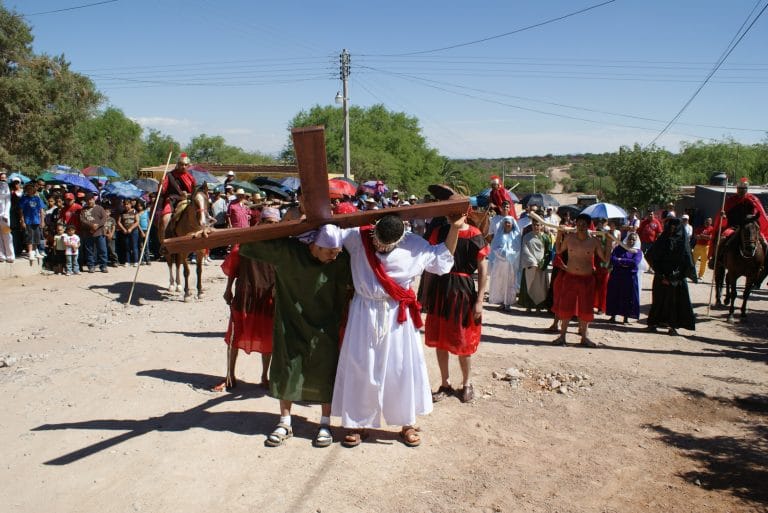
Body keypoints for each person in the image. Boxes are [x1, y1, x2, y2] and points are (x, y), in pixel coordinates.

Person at [332, 213, 462, 448]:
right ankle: (357, 422)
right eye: (377, 241)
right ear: (374, 231)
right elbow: (326, 235)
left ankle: (407, 423)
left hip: (397, 314)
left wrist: (455, 228)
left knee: (401, 367)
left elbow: (442, 261)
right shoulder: (357, 238)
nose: (380, 247)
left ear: (400, 239)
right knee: (361, 365)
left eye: (386, 244)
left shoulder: (415, 245)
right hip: (363, 310)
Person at [239, 225, 352, 448]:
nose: (333, 256)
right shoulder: (288, 252)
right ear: (315, 245)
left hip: (325, 326)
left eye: (337, 252)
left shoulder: (340, 260)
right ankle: (284, 421)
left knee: (326, 369)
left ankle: (325, 423)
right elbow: (249, 242)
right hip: (289, 323)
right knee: (287, 368)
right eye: (329, 252)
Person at [423, 209, 489, 405]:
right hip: (440, 288)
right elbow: (429, 262)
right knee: (440, 339)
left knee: (463, 340)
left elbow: (483, 266)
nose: (451, 215)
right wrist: (425, 293)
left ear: (464, 212)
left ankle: (467, 383)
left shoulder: (474, 234)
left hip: (463, 290)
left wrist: (480, 300)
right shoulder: (440, 231)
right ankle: (445, 383)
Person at [551, 213, 609, 347]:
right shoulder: (570, 238)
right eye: (579, 224)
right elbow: (559, 250)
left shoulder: (594, 241)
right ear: (575, 225)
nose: (581, 227)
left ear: (589, 226)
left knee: (586, 309)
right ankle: (562, 337)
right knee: (565, 307)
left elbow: (605, 259)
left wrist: (610, 242)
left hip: (587, 279)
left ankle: (584, 337)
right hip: (570, 277)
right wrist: (560, 233)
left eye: (584, 225)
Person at [645, 218, 696, 336]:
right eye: (670, 226)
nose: (672, 229)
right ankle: (653, 323)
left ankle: (673, 326)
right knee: (658, 300)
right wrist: (661, 274)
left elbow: (687, 262)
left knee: (674, 303)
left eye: (675, 227)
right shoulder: (663, 240)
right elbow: (651, 256)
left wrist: (675, 277)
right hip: (660, 276)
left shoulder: (683, 243)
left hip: (677, 278)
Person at [158, 153, 197, 249]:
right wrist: (161, 184)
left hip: (187, 201)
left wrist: (187, 195)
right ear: (178, 164)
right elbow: (163, 190)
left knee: (201, 216)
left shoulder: (191, 178)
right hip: (172, 200)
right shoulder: (170, 175)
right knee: (164, 219)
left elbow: (194, 193)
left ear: (188, 166)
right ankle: (164, 244)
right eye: (181, 164)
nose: (183, 166)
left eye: (185, 165)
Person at [605, 232, 643, 324]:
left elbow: (634, 262)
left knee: (628, 297)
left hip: (630, 277)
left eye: (634, 239)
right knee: (615, 295)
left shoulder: (637, 251)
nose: (631, 241)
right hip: (617, 275)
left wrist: (620, 260)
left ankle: (625, 318)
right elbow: (613, 259)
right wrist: (625, 262)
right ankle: (613, 316)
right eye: (630, 238)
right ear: (626, 239)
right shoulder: (619, 248)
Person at [517, 219, 552, 312]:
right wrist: (533, 262)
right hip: (530, 265)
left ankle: (538, 307)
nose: (536, 227)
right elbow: (525, 250)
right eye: (534, 225)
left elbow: (549, 252)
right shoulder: (526, 237)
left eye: (538, 225)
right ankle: (528, 306)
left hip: (541, 266)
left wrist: (543, 263)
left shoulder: (546, 238)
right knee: (529, 285)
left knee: (540, 287)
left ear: (542, 226)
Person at [487, 216, 521, 311]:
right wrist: (502, 253)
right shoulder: (499, 235)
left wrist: (510, 254)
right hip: (500, 263)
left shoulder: (516, 236)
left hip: (511, 264)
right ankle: (502, 302)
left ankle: (508, 302)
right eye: (506, 222)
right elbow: (494, 247)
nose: (507, 224)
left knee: (510, 283)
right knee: (500, 283)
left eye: (509, 223)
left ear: (512, 224)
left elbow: (518, 249)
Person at [79, 193, 109, 273]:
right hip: (88, 232)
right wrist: (91, 225)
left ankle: (103, 266)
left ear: (93, 199)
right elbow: (82, 220)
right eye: (87, 200)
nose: (89, 201)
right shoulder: (83, 209)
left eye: (90, 200)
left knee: (102, 250)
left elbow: (104, 218)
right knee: (89, 250)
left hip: (99, 232)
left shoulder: (100, 208)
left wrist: (97, 225)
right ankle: (91, 266)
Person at [19, 183, 47, 260]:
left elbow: (41, 210)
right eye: (28, 189)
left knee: (36, 237)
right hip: (28, 221)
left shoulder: (37, 198)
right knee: (29, 237)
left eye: (31, 189)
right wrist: (22, 221)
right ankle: (30, 252)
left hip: (36, 221)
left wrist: (42, 221)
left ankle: (35, 251)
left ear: (34, 190)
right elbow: (21, 211)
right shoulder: (24, 199)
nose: (29, 190)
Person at [117, 198, 139, 266]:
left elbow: (137, 222)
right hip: (125, 232)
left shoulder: (135, 211)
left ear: (130, 204)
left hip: (134, 231)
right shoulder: (122, 212)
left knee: (134, 246)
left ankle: (135, 261)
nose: (126, 206)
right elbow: (119, 222)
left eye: (127, 204)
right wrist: (123, 229)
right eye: (125, 204)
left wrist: (131, 229)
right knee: (127, 246)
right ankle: (127, 261)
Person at [0, 172, 15, 263]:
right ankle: (1, 255)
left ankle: (10, 256)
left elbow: (8, 201)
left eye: (4, 178)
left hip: (4, 217)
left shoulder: (6, 187)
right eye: (1, 178)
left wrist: (6, 213)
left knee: (7, 235)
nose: (3, 180)